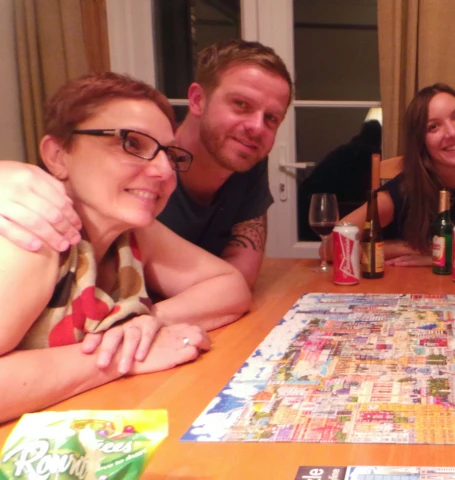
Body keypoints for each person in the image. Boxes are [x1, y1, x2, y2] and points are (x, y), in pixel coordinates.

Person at [0, 72, 252, 423]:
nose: (164, 170)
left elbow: (230, 286)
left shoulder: (130, 234)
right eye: (131, 143)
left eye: (169, 153)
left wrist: (141, 326)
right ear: (57, 155)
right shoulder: (35, 237)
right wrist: (123, 356)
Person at [0, 39, 293, 288]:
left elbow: (237, 281)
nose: (256, 127)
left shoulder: (246, 161)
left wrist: (145, 323)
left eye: (271, 118)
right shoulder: (122, 191)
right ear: (197, 100)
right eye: (240, 104)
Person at [342, 83, 455, 265]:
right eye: (433, 127)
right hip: (403, 284)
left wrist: (438, 255)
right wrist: (405, 248)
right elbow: (331, 248)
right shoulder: (400, 192)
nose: (453, 132)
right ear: (420, 142)